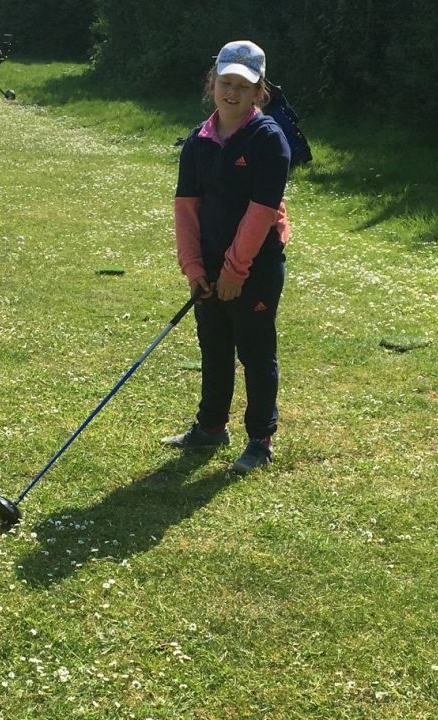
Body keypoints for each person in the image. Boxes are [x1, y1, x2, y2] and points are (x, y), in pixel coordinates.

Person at [162, 40, 292, 473]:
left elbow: (262, 211)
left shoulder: (268, 140)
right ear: (212, 84)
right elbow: (186, 207)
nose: (232, 92)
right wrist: (194, 268)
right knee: (214, 345)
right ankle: (211, 427)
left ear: (258, 92)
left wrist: (236, 270)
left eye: (243, 85)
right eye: (225, 82)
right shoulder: (198, 141)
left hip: (256, 265)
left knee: (255, 351)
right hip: (211, 261)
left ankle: (260, 439)